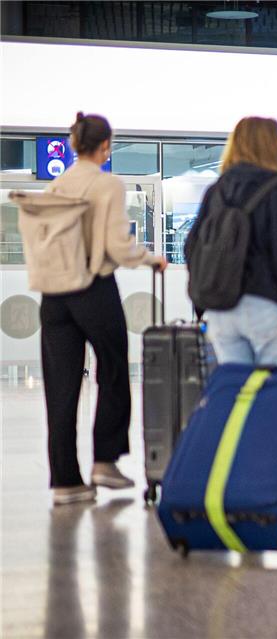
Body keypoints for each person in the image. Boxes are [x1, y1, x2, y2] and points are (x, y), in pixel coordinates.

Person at [38, 113, 167, 505]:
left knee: (61, 388)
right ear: (106, 145)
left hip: (54, 293)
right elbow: (116, 245)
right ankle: (104, 461)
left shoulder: (57, 184)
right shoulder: (107, 183)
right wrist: (150, 259)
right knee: (112, 368)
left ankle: (65, 482)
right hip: (92, 287)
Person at [186, 117, 277, 366]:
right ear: (269, 144)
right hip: (265, 307)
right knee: (276, 387)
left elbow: (192, 247)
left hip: (221, 311)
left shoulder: (217, 190)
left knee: (238, 387)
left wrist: (202, 301)